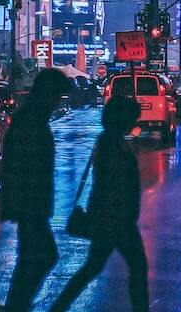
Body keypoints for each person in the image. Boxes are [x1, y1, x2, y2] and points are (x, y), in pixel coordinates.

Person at [47, 97, 149, 312]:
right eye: (132, 118)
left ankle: (58, 307)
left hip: (111, 217)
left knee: (93, 267)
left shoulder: (110, 140)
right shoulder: (111, 144)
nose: (135, 122)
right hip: (115, 218)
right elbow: (113, 183)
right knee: (136, 267)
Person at [1, 68, 72, 311]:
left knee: (32, 257)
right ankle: (17, 305)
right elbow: (22, 166)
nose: (56, 103)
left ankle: (17, 305)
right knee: (42, 255)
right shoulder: (31, 122)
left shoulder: (32, 119)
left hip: (31, 204)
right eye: (55, 96)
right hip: (30, 203)